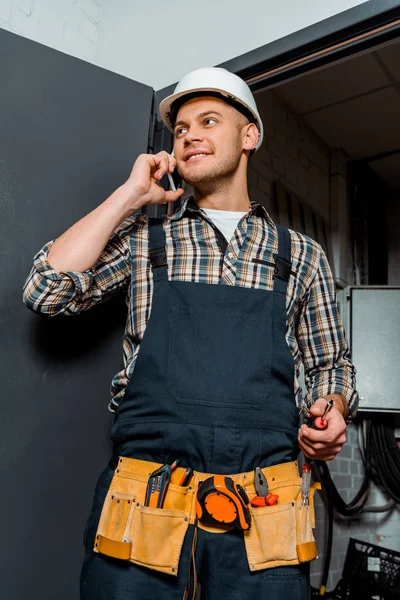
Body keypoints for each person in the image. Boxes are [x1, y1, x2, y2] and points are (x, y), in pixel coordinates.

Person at [23, 67, 359, 600]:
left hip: (263, 513)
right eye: (180, 129)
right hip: (144, 506)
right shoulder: (144, 239)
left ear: (250, 136)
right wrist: (129, 197)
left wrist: (333, 407)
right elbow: (47, 290)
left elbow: (329, 365)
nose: (190, 136)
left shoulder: (301, 256)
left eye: (209, 121)